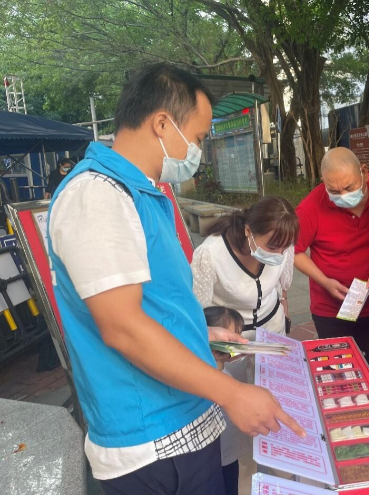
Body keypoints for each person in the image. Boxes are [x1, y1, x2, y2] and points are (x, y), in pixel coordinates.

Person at [47, 63, 304, 494]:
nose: (198, 151)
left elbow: (156, 306)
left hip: (184, 420)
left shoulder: (144, 193)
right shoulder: (97, 196)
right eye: (199, 138)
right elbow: (124, 327)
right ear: (163, 123)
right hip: (151, 442)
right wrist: (232, 393)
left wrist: (204, 334)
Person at [294, 148, 369, 377]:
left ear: (364, 173)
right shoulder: (310, 207)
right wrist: (325, 282)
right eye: (333, 190)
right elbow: (294, 252)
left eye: (348, 187)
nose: (342, 195)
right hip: (330, 309)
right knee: (336, 374)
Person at [191, 196, 297, 339]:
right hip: (233, 336)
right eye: (272, 247)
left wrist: (284, 305)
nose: (279, 254)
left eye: (285, 248)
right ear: (248, 231)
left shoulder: (284, 243)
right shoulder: (210, 254)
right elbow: (197, 308)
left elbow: (282, 284)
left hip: (273, 328)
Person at [203, 306, 248, 495]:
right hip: (216, 457)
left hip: (229, 453)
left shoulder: (224, 370)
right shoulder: (210, 378)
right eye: (231, 337)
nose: (240, 341)